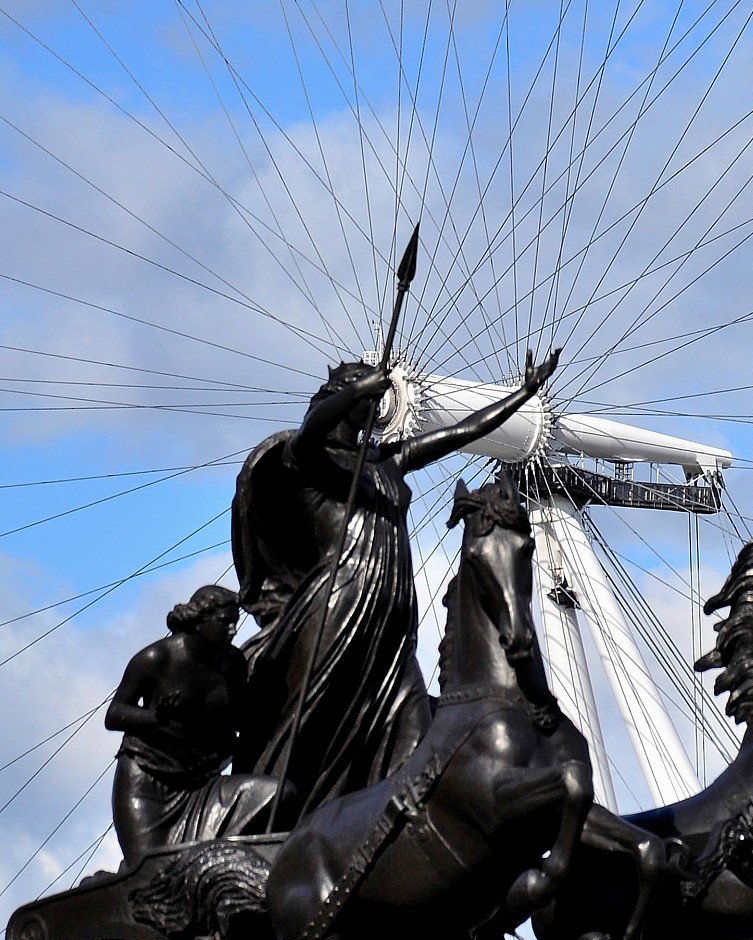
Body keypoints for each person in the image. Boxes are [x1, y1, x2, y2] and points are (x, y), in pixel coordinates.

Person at [231, 347, 556, 820]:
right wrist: (362, 384)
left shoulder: (386, 462)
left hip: (390, 618)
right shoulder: (307, 461)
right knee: (312, 721)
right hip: (337, 611)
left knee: (413, 726)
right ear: (346, 398)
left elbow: (460, 434)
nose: (378, 404)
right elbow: (313, 429)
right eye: (368, 396)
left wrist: (523, 395)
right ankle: (271, 819)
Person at [106, 586, 277, 863]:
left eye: (235, 622)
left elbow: (240, 718)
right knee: (151, 873)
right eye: (225, 622)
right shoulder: (157, 658)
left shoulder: (232, 663)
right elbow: (114, 715)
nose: (233, 630)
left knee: (276, 794)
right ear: (200, 621)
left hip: (203, 784)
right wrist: (155, 719)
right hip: (150, 782)